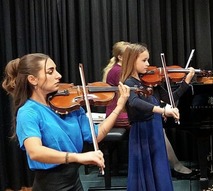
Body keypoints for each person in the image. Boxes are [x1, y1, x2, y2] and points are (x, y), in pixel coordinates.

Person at [2, 53, 130, 190]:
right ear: (33, 80)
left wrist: (118, 107)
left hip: (74, 181)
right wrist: (77, 157)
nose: (59, 75)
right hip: (50, 185)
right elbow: (35, 152)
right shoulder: (28, 111)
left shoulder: (70, 106)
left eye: (56, 70)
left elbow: (96, 135)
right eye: (50, 72)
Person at [102, 41, 197, 178]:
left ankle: (174, 167)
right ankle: (176, 166)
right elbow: (134, 102)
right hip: (143, 132)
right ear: (133, 61)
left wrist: (186, 82)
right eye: (144, 60)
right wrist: (162, 111)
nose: (148, 64)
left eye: (148, 60)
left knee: (159, 170)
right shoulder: (129, 83)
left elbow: (171, 98)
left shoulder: (151, 82)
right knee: (146, 173)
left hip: (155, 129)